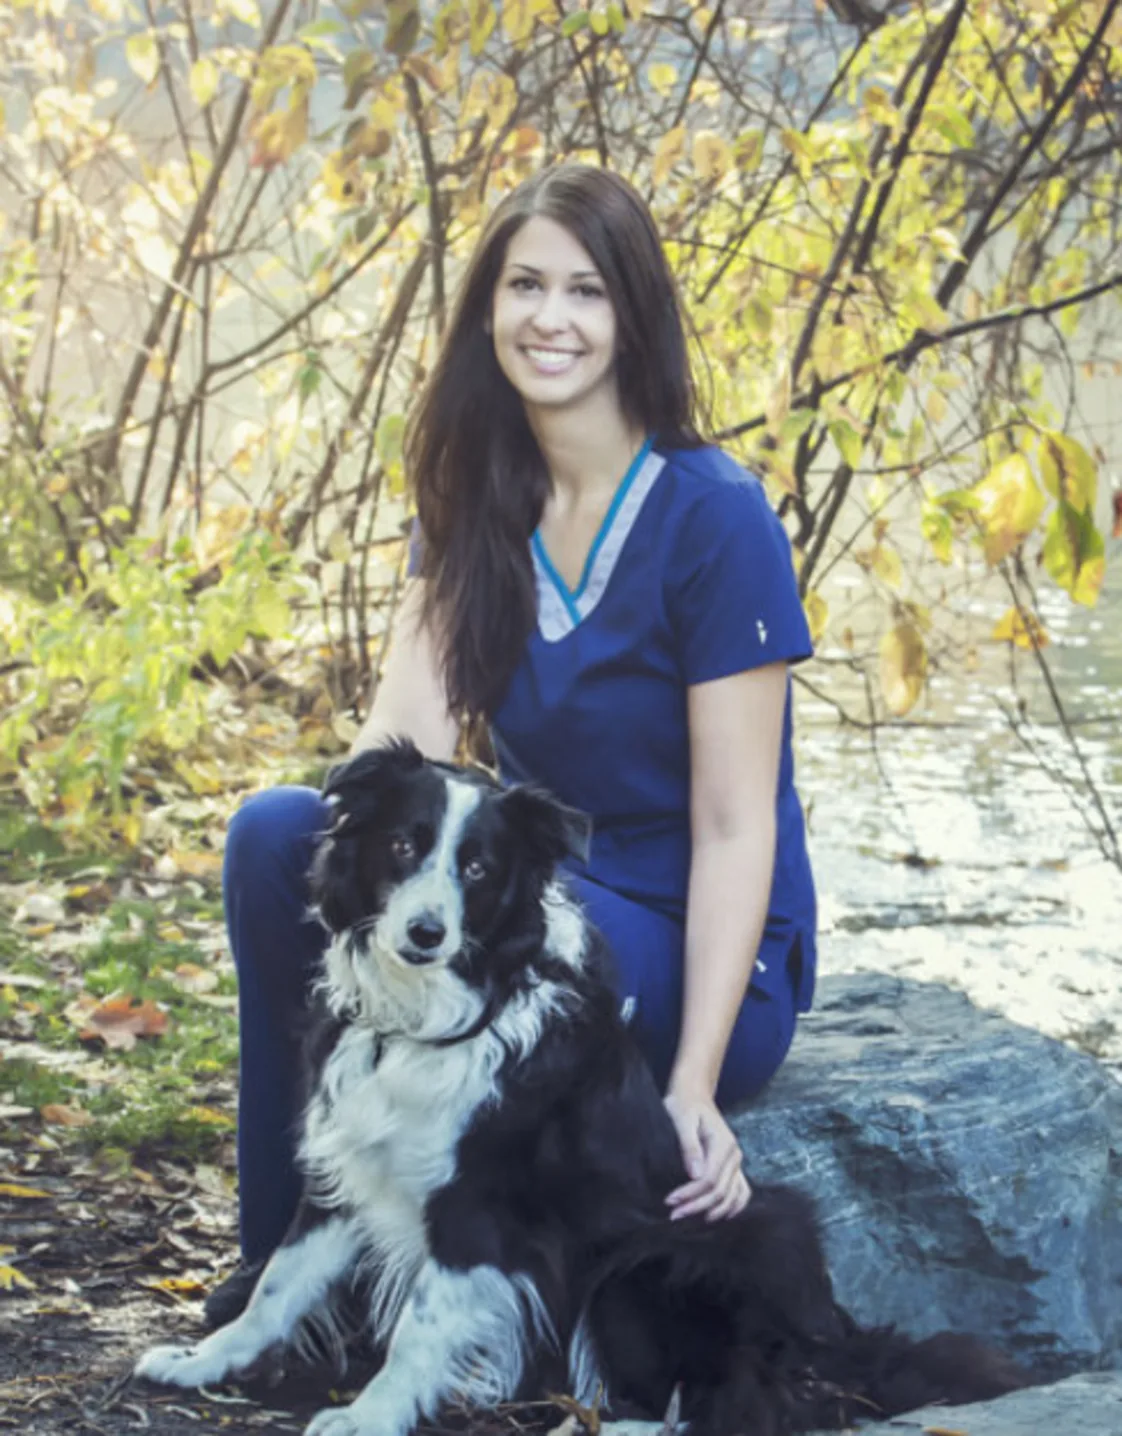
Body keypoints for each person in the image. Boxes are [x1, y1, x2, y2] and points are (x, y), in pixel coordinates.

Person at [211, 163, 817, 1326]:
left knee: (543, 945)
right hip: (544, 887)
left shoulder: (716, 516)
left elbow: (740, 825)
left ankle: (438, 1284)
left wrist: (690, 1081)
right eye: (526, 284)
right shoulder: (473, 498)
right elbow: (403, 751)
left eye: (587, 291)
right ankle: (282, 1277)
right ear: (487, 307)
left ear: (632, 316)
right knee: (277, 834)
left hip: (701, 933)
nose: (553, 317)